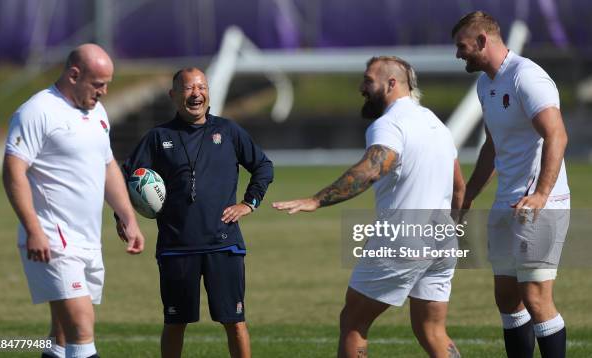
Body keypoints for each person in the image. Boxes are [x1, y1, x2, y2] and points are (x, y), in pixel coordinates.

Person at [273, 56, 465, 358]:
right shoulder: (435, 123)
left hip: (403, 237)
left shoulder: (389, 124)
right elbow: (459, 187)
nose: (362, 87)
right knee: (432, 329)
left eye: (368, 80)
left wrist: (316, 200)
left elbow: (371, 169)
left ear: (391, 84)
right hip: (443, 236)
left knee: (354, 321)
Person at [118, 67, 273, 358]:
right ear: (173, 95)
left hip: (223, 244)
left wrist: (249, 203)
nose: (196, 94)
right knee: (175, 323)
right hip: (177, 247)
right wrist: (121, 217)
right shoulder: (157, 137)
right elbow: (125, 179)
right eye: (188, 88)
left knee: (235, 322)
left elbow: (263, 166)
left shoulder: (228, 131)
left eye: (201, 87)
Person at [2, 43, 145, 358]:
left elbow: (107, 165)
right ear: (73, 74)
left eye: (107, 84)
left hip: (87, 239)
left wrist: (128, 216)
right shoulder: (38, 111)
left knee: (62, 337)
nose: (105, 91)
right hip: (53, 238)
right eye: (98, 84)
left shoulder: (97, 112)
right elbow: (13, 170)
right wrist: (34, 229)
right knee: (82, 327)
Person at [452, 11, 570, 358]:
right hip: (507, 203)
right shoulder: (485, 83)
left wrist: (542, 195)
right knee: (506, 297)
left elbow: (557, 135)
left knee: (536, 297)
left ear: (482, 41)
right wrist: (469, 194)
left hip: (539, 205)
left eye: (462, 47)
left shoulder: (527, 77)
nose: (458, 54)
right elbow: (493, 145)